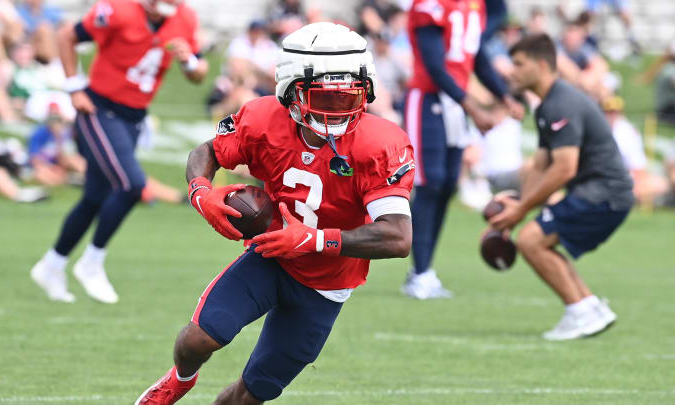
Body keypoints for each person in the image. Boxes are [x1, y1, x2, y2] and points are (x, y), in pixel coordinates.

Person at [134, 22, 414, 405]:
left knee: (251, 396)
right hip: (272, 257)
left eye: (346, 98)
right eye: (324, 98)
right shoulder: (264, 119)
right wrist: (201, 192)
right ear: (292, 89)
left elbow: (398, 237)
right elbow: (208, 153)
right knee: (199, 338)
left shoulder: (379, 143)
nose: (337, 111)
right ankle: (179, 380)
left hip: (327, 285)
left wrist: (315, 239)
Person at [29, 0, 209, 304]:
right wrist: (74, 87)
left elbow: (200, 73)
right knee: (132, 185)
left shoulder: (185, 18)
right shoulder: (117, 10)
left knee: (95, 197)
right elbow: (66, 37)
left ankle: (52, 265)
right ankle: (92, 262)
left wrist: (188, 61)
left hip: (133, 117)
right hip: (99, 109)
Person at [490, 34, 633, 341]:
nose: (511, 71)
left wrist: (522, 210)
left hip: (603, 194)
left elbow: (564, 167)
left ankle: (579, 311)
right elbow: (540, 164)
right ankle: (592, 308)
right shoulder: (546, 107)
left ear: (542, 65)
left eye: (518, 64)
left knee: (530, 241)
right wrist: (517, 203)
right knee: (538, 238)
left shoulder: (561, 103)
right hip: (602, 193)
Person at [402, 0, 524, 299]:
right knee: (429, 184)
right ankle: (420, 273)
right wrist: (472, 105)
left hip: (454, 102)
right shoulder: (431, 5)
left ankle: (424, 270)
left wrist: (503, 95)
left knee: (446, 186)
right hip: (428, 98)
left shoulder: (474, 5)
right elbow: (434, 63)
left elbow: (477, 56)